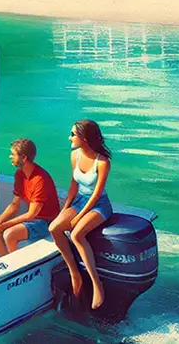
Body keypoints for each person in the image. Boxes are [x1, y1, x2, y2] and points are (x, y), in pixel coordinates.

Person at [49, 119, 115, 310]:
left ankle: (96, 284)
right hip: (79, 200)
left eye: (73, 134)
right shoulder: (74, 156)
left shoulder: (102, 162)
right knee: (54, 228)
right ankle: (74, 273)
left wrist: (79, 216)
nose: (69, 138)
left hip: (99, 205)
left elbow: (96, 193)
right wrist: (65, 210)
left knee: (77, 234)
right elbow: (73, 185)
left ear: (84, 138)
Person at [0, 139, 60, 256]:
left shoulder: (40, 179)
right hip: (33, 218)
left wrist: (4, 226)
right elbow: (14, 205)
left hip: (45, 221)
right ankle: (5, 258)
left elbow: (31, 214)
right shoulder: (20, 174)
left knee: (10, 234)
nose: (10, 157)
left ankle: (15, 265)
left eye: (13, 154)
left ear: (24, 158)